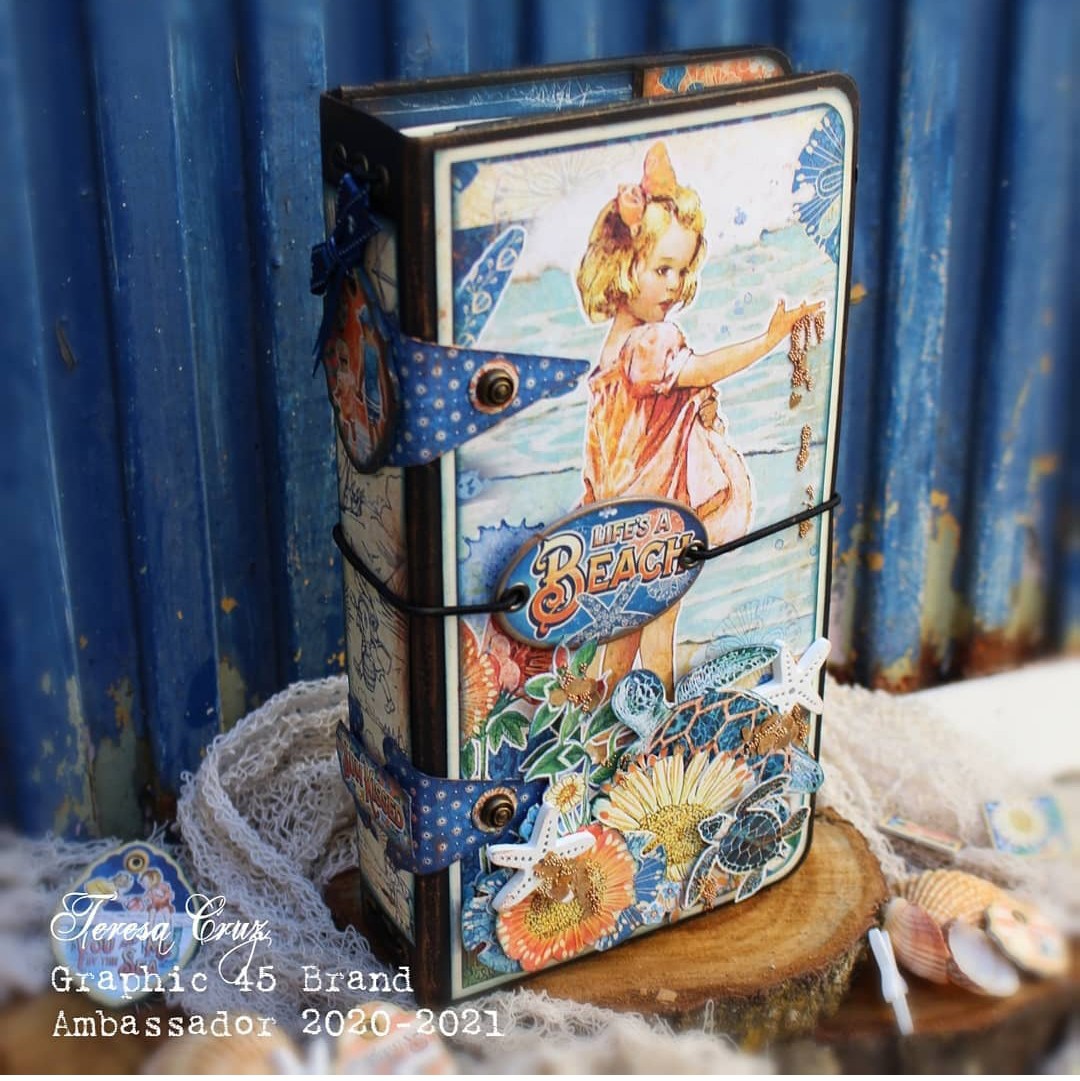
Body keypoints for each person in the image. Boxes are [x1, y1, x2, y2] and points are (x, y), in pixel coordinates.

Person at [575, 141, 823, 694]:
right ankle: (656, 723)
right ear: (622, 267)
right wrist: (768, 340)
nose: (673, 284)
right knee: (658, 630)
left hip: (623, 522)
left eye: (681, 270)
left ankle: (594, 726)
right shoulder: (650, 344)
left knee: (623, 638)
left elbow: (603, 452)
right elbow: (705, 367)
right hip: (655, 523)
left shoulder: (611, 357)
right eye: (661, 268)